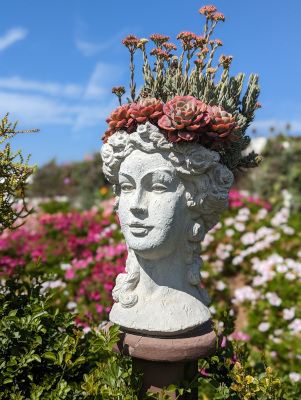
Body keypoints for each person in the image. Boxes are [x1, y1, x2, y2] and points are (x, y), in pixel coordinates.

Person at [101, 122, 233, 335]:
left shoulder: (189, 311)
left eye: (158, 186)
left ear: (195, 199)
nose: (136, 204)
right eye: (127, 186)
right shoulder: (125, 304)